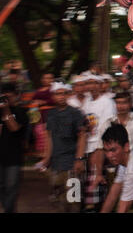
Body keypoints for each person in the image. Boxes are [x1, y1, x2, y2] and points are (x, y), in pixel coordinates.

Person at [37, 82, 87, 212]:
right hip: (56, 164)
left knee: (74, 201)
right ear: (53, 96)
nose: (61, 96)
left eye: (64, 93)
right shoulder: (50, 114)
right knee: (58, 201)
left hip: (72, 164)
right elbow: (49, 137)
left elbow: (82, 136)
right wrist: (46, 159)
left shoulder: (76, 113)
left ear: (68, 95)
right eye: (58, 93)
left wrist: (79, 159)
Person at [81, 74, 116, 211]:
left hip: (99, 148)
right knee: (88, 187)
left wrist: (99, 151)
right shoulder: (87, 101)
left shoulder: (107, 102)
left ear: (101, 85)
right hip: (87, 147)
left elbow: (105, 130)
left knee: (97, 185)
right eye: (88, 83)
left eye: (95, 83)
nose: (91, 86)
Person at [0, 83, 29, 213]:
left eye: (8, 96)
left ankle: (9, 210)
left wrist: (6, 110)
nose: (6, 99)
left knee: (11, 187)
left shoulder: (21, 111)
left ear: (16, 96)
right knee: (1, 187)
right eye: (3, 96)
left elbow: (14, 128)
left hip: (14, 157)